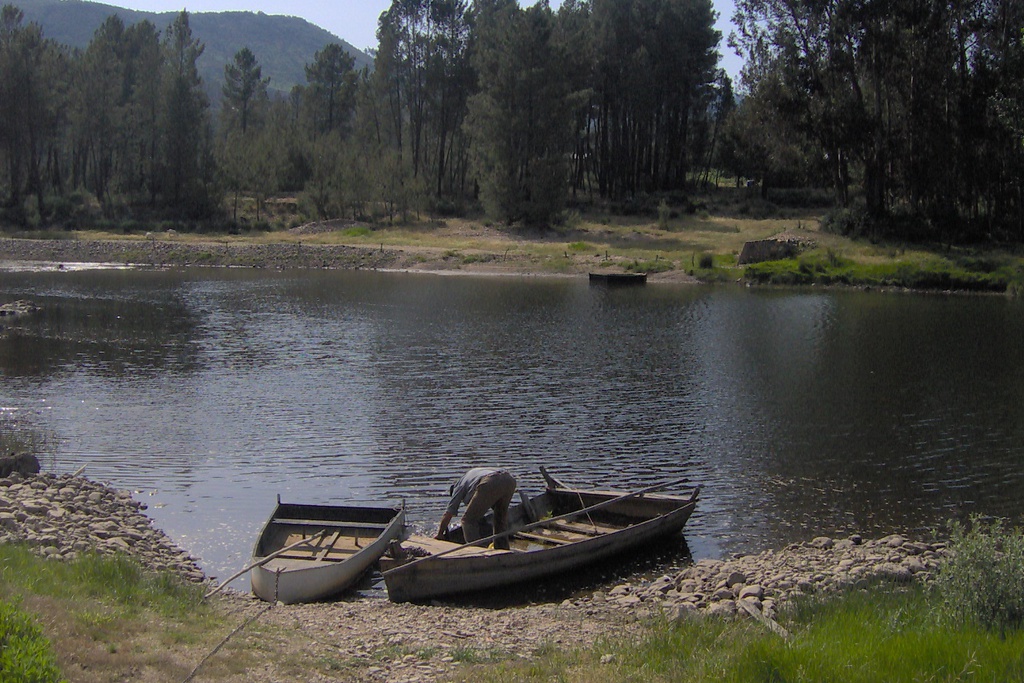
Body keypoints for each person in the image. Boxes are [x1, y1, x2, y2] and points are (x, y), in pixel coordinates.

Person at [436, 468, 517, 550]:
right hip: (509, 480)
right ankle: (502, 549)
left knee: (468, 521)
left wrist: (440, 534)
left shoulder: (458, 487)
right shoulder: (471, 477)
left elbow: (449, 513)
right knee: (499, 519)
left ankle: (476, 551)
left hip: (490, 480)